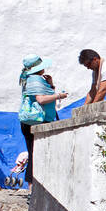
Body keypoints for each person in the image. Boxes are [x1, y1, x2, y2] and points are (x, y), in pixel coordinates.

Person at [19, 55, 67, 185]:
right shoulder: (35, 80)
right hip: (37, 121)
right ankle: (32, 189)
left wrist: (50, 85)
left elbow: (43, 95)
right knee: (36, 155)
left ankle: (33, 189)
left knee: (34, 154)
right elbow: (41, 99)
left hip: (32, 121)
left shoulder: (32, 79)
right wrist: (59, 95)